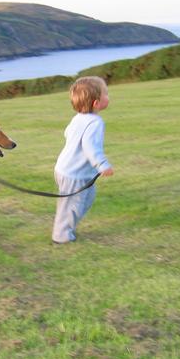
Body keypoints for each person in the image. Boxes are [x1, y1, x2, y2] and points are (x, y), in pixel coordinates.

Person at [52, 76, 114, 243]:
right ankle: (61, 236)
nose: (109, 96)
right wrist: (102, 165)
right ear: (96, 103)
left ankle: (67, 228)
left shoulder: (78, 118)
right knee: (71, 206)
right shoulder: (95, 122)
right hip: (73, 174)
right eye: (106, 93)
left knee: (86, 200)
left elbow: (68, 133)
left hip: (70, 170)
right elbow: (90, 147)